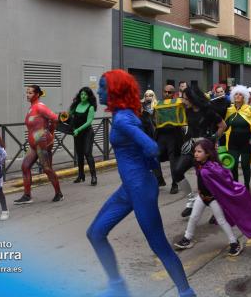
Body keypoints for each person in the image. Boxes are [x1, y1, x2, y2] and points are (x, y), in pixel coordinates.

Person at [86, 70, 196, 297]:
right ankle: (117, 287)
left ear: (116, 91)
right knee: (95, 233)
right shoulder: (123, 115)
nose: (98, 91)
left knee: (159, 245)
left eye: (103, 87)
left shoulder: (124, 119)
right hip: (130, 187)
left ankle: (186, 293)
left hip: (140, 189)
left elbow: (152, 148)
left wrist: (145, 164)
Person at [173, 139, 251, 256]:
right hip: (202, 196)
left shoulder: (213, 167)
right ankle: (187, 239)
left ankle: (234, 243)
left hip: (213, 198)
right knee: (193, 217)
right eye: (195, 151)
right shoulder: (198, 164)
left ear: (207, 153)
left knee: (221, 221)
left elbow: (226, 179)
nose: (196, 154)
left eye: (199, 151)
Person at [174, 85, 227, 217]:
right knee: (177, 171)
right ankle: (191, 200)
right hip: (191, 147)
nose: (184, 101)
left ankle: (218, 210)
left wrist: (212, 139)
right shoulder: (187, 111)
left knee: (206, 182)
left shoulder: (208, 111)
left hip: (205, 148)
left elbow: (223, 126)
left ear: (193, 98)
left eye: (186, 98)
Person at [14, 85, 63, 204]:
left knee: (46, 168)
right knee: (25, 167)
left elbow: (55, 118)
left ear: (37, 94)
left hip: (41, 141)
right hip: (34, 144)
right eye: (27, 92)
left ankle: (59, 193)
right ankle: (27, 195)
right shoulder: (32, 108)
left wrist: (50, 132)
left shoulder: (40, 107)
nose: (27, 95)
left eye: (30, 93)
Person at [68, 87, 98, 185]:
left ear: (89, 96)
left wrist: (78, 129)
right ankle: (81, 175)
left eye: (85, 94)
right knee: (79, 154)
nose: (83, 96)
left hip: (87, 133)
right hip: (77, 133)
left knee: (87, 153)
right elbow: (68, 115)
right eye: (81, 94)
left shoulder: (91, 107)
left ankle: (94, 176)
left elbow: (89, 122)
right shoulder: (76, 105)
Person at [141, 90, 165, 187]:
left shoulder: (157, 105)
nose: (148, 97)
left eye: (150, 95)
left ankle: (159, 179)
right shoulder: (141, 106)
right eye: (146, 95)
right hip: (144, 134)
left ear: (153, 96)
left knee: (154, 157)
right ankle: (154, 180)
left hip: (155, 135)